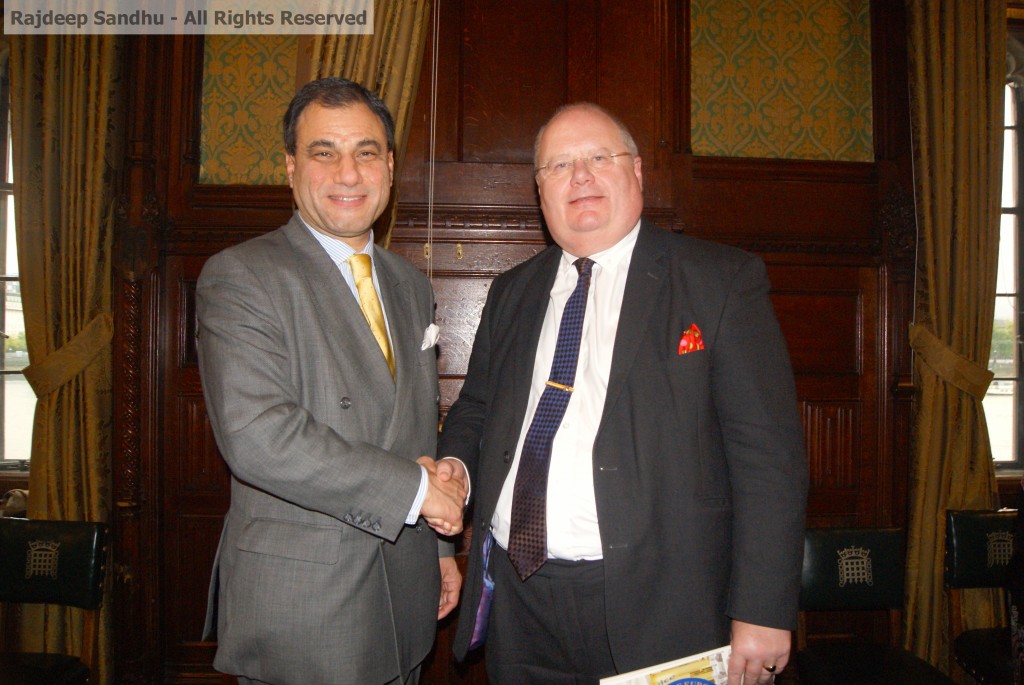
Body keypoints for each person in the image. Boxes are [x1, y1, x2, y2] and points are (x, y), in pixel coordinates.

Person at [438, 102, 808, 685]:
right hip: (520, 599)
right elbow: (476, 408)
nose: (579, 176)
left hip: (663, 605)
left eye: (597, 158)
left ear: (636, 171)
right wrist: (455, 465)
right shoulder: (512, 292)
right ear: (540, 192)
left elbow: (769, 458)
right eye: (559, 166)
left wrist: (762, 609)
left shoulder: (719, 281)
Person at [197, 77, 467, 685]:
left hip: (404, 590)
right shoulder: (241, 275)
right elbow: (259, 437)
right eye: (324, 152)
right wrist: (420, 495)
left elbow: (418, 427)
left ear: (390, 167)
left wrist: (440, 550)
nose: (349, 173)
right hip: (306, 610)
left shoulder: (408, 284)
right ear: (291, 168)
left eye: (366, 152)